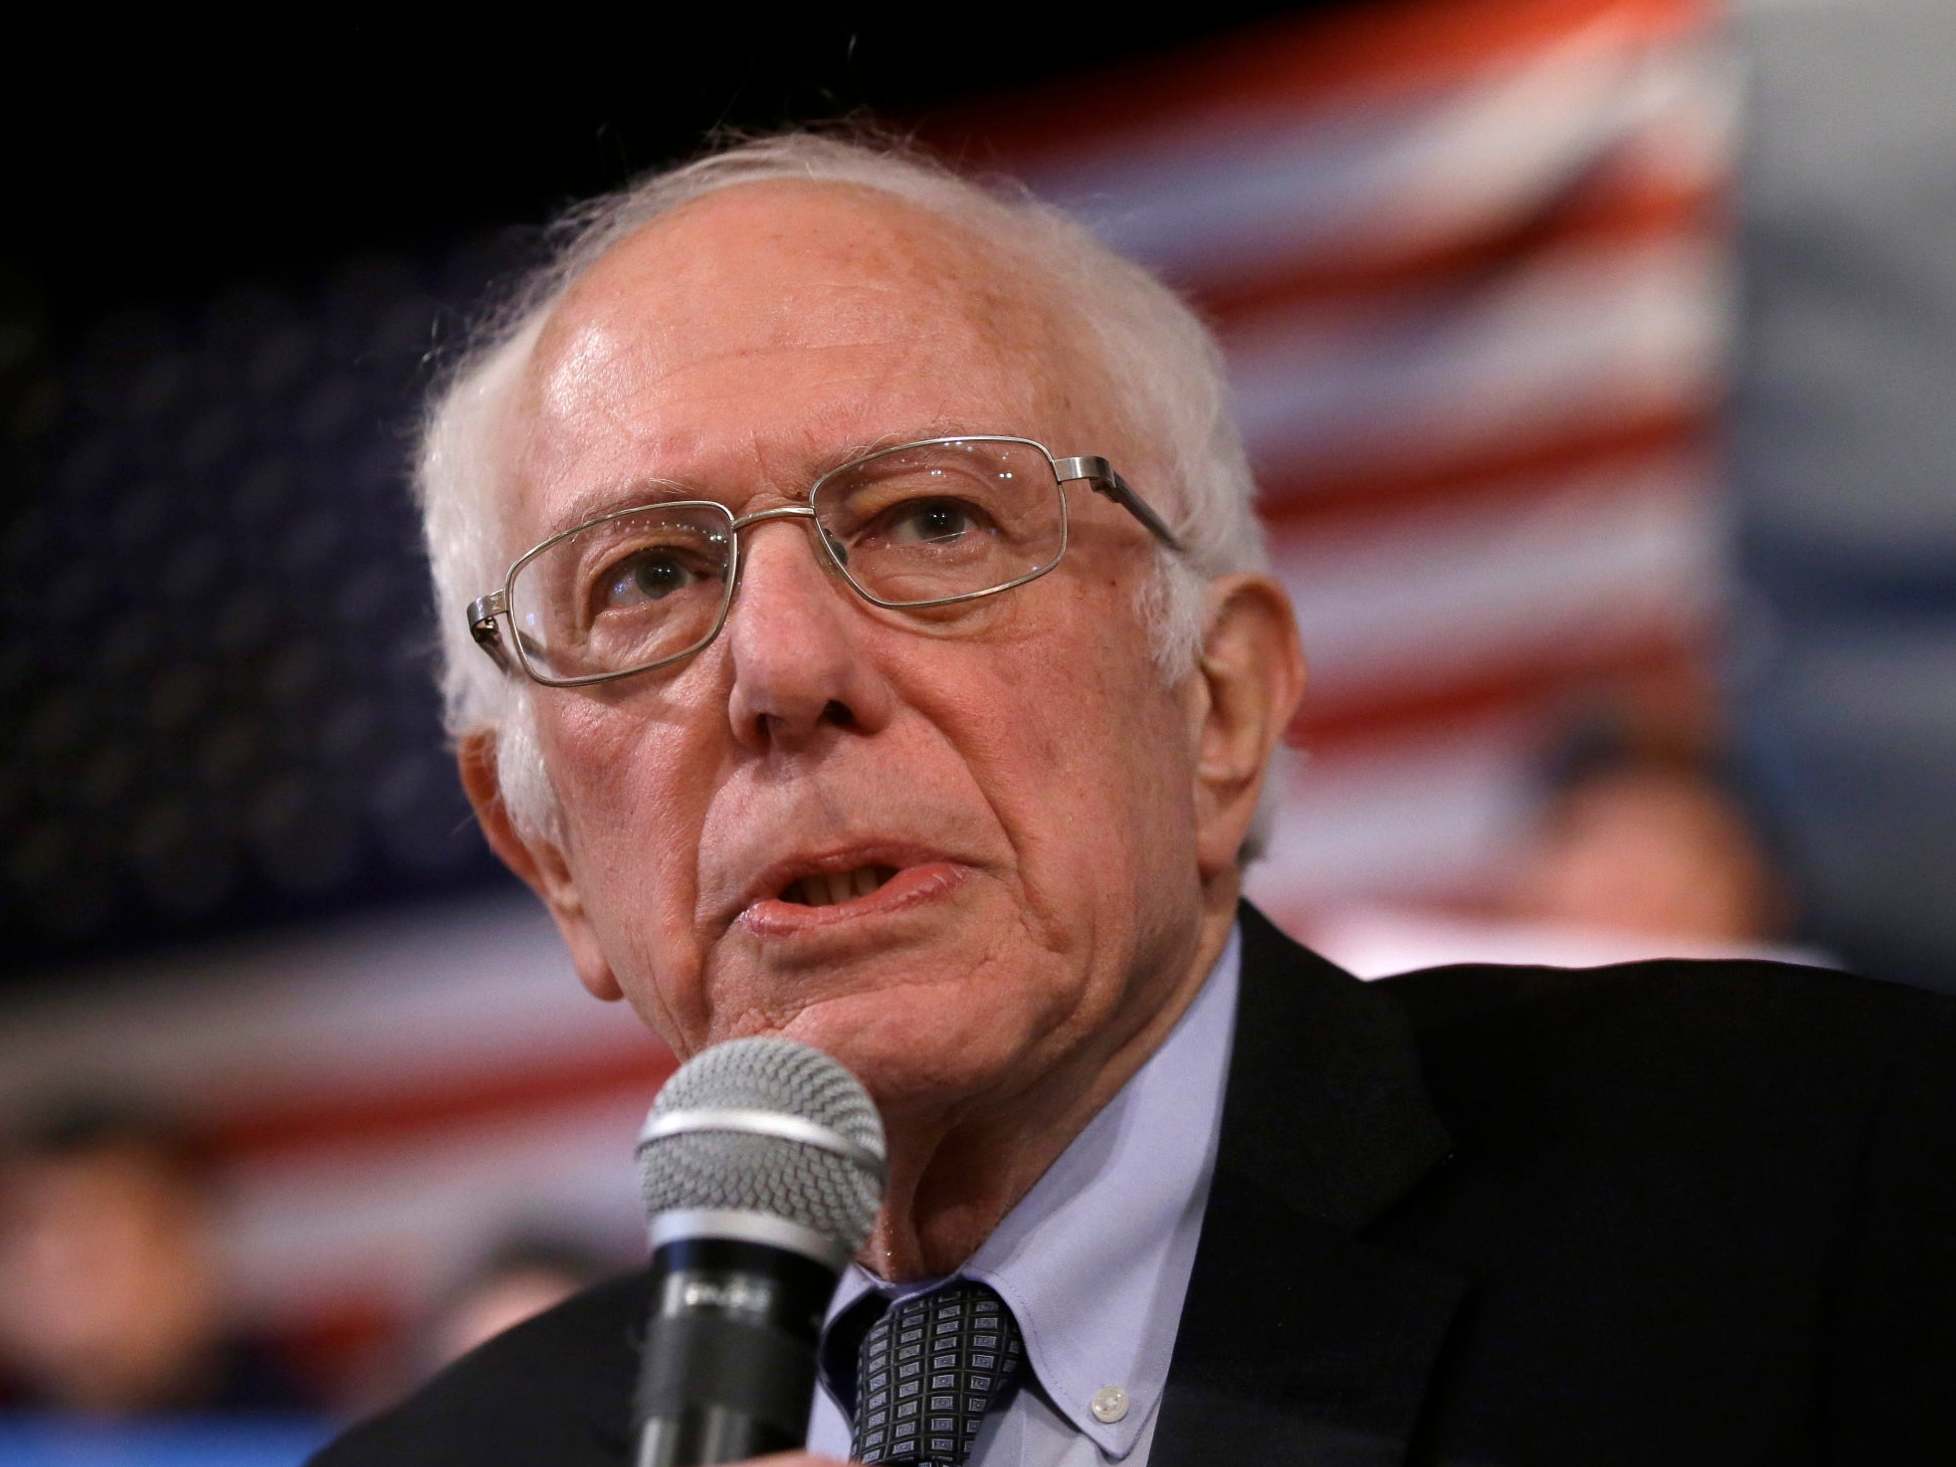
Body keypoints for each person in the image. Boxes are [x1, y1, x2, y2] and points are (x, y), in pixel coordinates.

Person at [315, 134, 1956, 1465]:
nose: (780, 666)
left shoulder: (1839, 1204)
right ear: (550, 857)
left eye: (933, 522)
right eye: (652, 573)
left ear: (1220, 709)